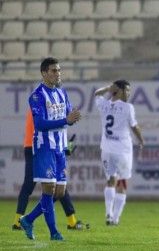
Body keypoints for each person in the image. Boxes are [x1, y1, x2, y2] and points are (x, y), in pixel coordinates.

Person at [19, 57, 82, 240]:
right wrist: (66, 120)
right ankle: (54, 232)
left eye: (59, 70)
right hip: (44, 146)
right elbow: (39, 124)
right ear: (44, 73)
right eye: (54, 70)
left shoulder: (62, 93)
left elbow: (68, 116)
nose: (58, 73)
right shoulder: (37, 96)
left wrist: (73, 117)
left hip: (60, 147)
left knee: (60, 192)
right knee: (49, 189)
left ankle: (28, 219)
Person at [12, 109, 89, 231]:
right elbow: (50, 127)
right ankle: (22, 221)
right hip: (41, 146)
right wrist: (64, 148)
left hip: (36, 145)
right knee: (55, 184)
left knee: (57, 185)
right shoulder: (47, 103)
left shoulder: (39, 102)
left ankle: (18, 221)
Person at [94, 80, 144, 226]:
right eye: (126, 90)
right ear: (120, 91)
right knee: (122, 182)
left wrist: (108, 88)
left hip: (107, 150)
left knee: (110, 180)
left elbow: (97, 94)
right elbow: (134, 126)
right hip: (122, 150)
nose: (129, 93)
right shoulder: (128, 107)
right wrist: (141, 140)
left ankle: (108, 214)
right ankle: (115, 218)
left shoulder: (104, 104)